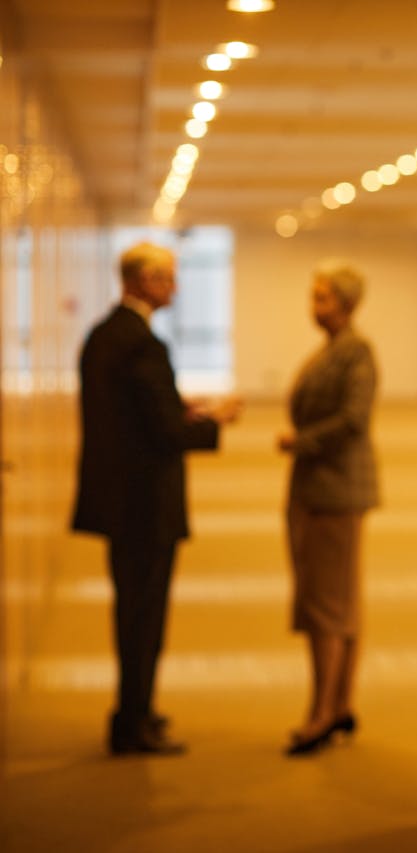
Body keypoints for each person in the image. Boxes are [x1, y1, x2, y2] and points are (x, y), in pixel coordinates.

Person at [72, 241, 242, 756]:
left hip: (117, 501)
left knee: (131, 611)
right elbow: (163, 433)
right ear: (143, 280)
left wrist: (177, 408)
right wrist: (214, 420)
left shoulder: (102, 336)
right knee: (145, 617)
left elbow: (132, 416)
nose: (175, 287)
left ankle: (136, 710)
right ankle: (132, 722)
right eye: (168, 277)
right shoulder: (145, 344)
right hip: (146, 505)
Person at [277, 261, 378, 757]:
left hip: (334, 492)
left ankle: (321, 713)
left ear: (345, 303)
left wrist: (301, 440)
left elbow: (353, 420)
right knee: (338, 605)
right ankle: (337, 705)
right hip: (318, 488)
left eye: (322, 298)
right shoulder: (334, 351)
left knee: (327, 608)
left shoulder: (355, 352)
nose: (313, 306)